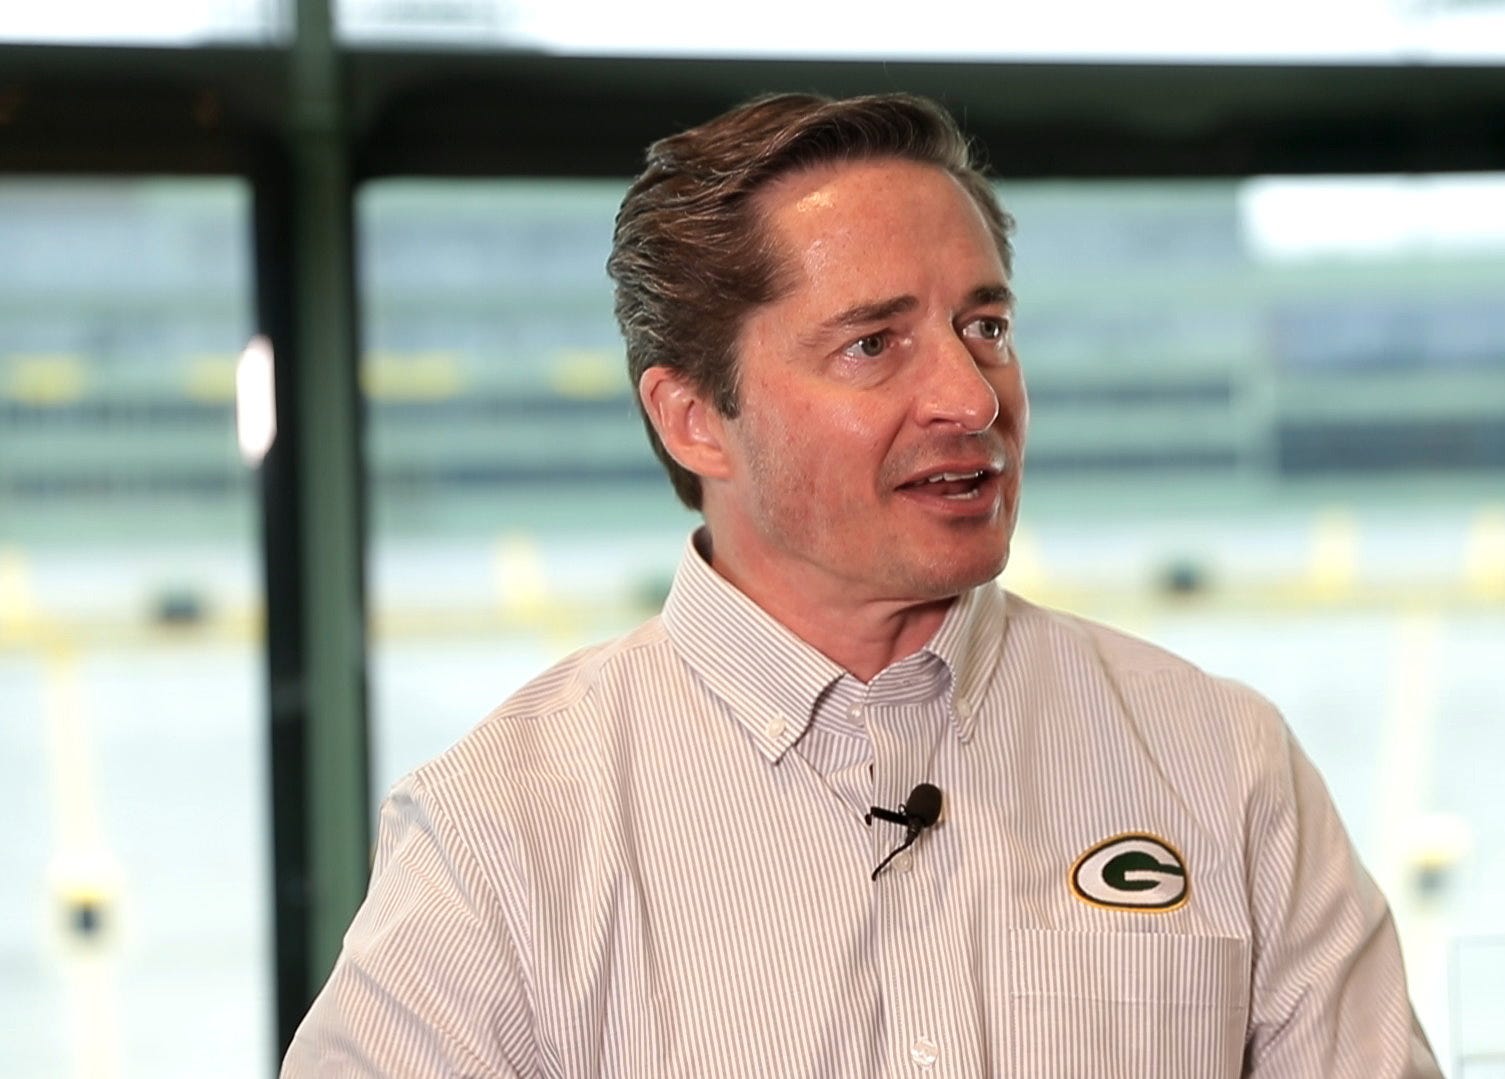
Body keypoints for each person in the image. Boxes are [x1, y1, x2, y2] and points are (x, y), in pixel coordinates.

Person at [283, 92, 1441, 1077]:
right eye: (873, 343)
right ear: (694, 418)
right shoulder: (502, 831)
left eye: (984, 324)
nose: (971, 398)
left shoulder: (1221, 763)